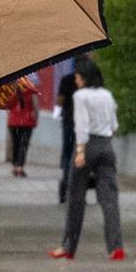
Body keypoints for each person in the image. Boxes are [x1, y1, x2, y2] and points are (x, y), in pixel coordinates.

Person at [50, 57, 124, 261]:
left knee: (76, 196)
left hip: (87, 145)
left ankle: (68, 246)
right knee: (109, 198)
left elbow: (81, 124)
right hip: (106, 146)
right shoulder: (107, 95)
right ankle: (116, 247)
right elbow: (114, 125)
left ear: (84, 77)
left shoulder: (81, 96)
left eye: (78, 76)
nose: (75, 80)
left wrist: (81, 150)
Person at [57, 62, 79, 203]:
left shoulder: (66, 80)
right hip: (85, 124)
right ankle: (79, 185)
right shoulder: (91, 81)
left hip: (69, 121)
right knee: (82, 153)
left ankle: (67, 180)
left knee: (68, 152)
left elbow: (59, 102)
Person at [7, 80, 39, 177]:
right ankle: (20, 167)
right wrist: (36, 118)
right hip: (27, 121)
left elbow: (7, 105)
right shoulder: (30, 90)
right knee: (23, 145)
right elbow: (36, 106)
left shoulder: (11, 91)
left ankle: (15, 166)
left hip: (13, 121)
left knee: (15, 144)